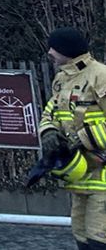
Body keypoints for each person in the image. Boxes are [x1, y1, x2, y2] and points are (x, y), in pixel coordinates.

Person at [37, 26, 106, 250]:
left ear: (67, 50)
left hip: (102, 174)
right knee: (82, 236)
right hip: (79, 174)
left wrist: (82, 139)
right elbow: (51, 111)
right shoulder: (61, 79)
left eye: (54, 49)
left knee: (99, 239)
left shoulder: (100, 76)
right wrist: (48, 131)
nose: (50, 54)